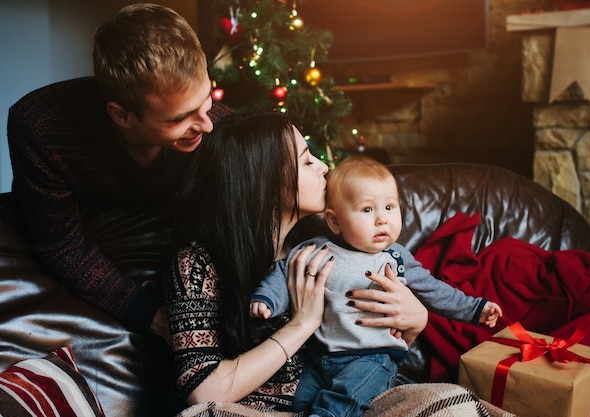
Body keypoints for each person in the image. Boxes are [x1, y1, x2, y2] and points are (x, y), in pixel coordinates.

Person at [164, 113, 430, 415]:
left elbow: (374, 350)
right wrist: (303, 323)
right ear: (264, 180)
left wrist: (416, 321)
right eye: (306, 161)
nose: (324, 167)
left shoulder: (330, 240)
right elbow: (203, 392)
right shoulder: (198, 262)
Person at [6, 3, 229, 341]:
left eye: (206, 99)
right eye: (178, 118)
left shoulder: (224, 129)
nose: (206, 125)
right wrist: (154, 317)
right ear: (121, 115)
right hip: (76, 244)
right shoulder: (40, 128)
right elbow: (61, 248)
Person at [250, 156, 503, 417]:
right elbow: (284, 270)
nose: (382, 220)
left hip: (373, 357)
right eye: (367, 210)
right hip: (321, 355)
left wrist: (475, 308)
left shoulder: (396, 257)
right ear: (334, 221)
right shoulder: (318, 249)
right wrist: (267, 299)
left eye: (390, 207)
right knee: (301, 401)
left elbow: (434, 290)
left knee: (347, 397)